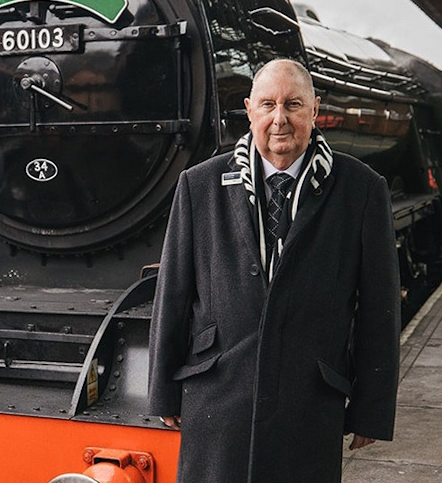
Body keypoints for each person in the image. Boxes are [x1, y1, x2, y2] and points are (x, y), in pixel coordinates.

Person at [148, 58, 400, 482]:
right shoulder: (200, 185)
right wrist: (162, 393)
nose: (279, 119)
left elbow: (379, 308)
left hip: (310, 402)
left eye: (293, 105)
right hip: (218, 400)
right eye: (268, 105)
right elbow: (172, 295)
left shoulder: (362, 190)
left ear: (315, 110)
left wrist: (371, 409)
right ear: (249, 110)